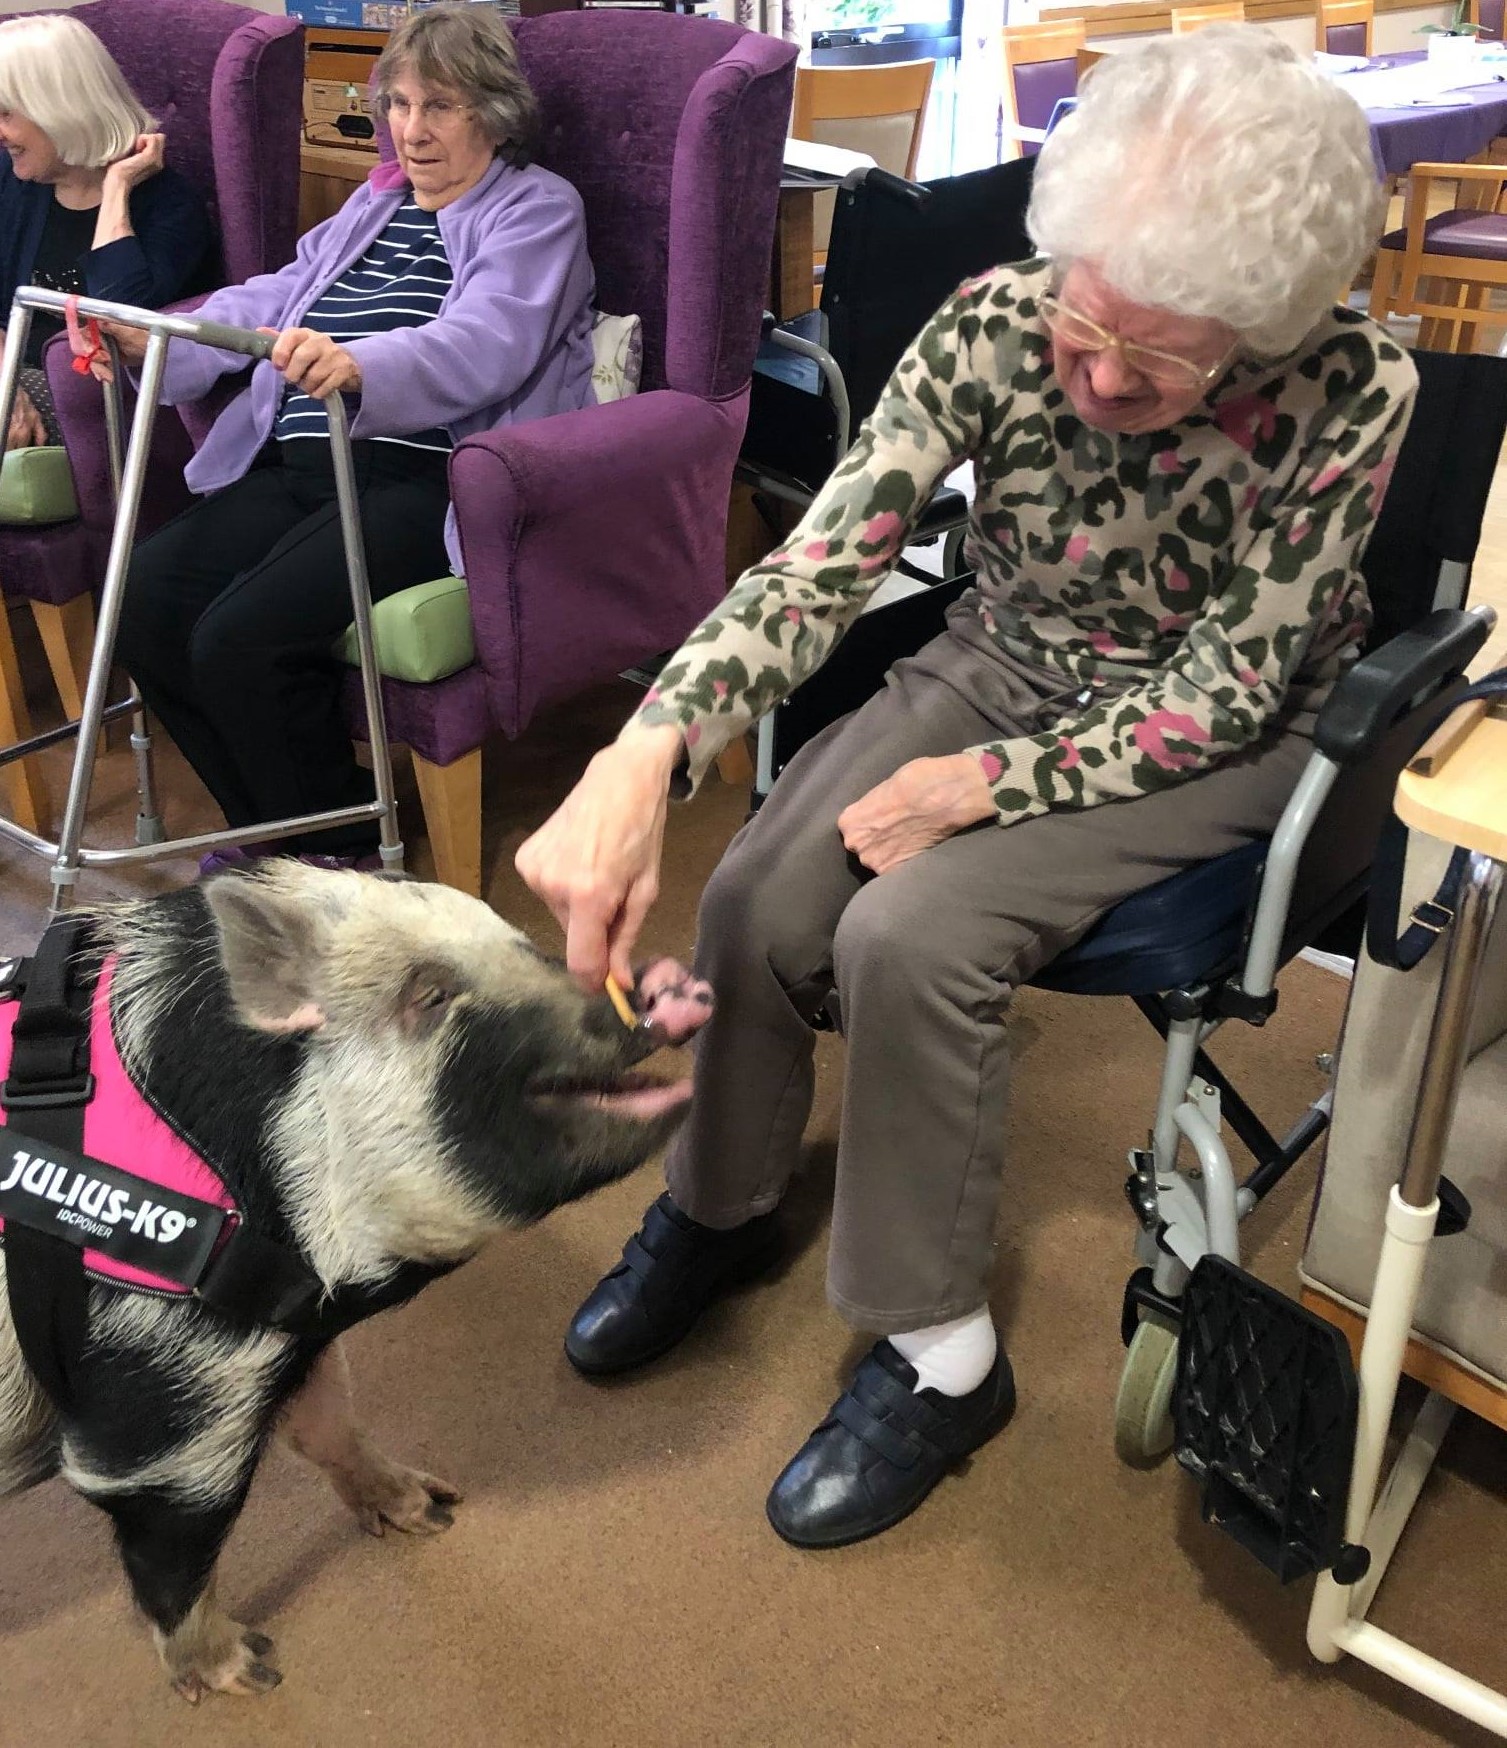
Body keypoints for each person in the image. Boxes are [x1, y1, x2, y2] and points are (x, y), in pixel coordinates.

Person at [516, 28, 1418, 1548]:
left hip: (1223, 724)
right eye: (1084, 320)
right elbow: (820, 566)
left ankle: (940, 1354)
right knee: (748, 893)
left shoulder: (1352, 385)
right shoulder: (991, 320)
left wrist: (976, 790)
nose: (1100, 372)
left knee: (905, 941)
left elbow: (1225, 691)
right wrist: (641, 750)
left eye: (1165, 352)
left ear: (1262, 322)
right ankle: (718, 1204)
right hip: (1002, 653)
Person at [109, 3, 595, 871]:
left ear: (495, 111)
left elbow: (490, 339)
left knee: (239, 639)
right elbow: (270, 295)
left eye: (439, 106)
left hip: (420, 474)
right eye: (400, 105)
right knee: (142, 605)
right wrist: (163, 338)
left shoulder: (535, 209)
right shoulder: (372, 206)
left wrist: (363, 363)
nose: (411, 130)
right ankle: (273, 834)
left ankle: (336, 852)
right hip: (302, 459)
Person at [0, 13, 210, 450]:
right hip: (13, 378)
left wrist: (116, 188)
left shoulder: (168, 204)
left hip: (91, 398)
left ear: (59, 107)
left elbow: (119, 326)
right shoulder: (12, 179)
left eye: (6, 113)